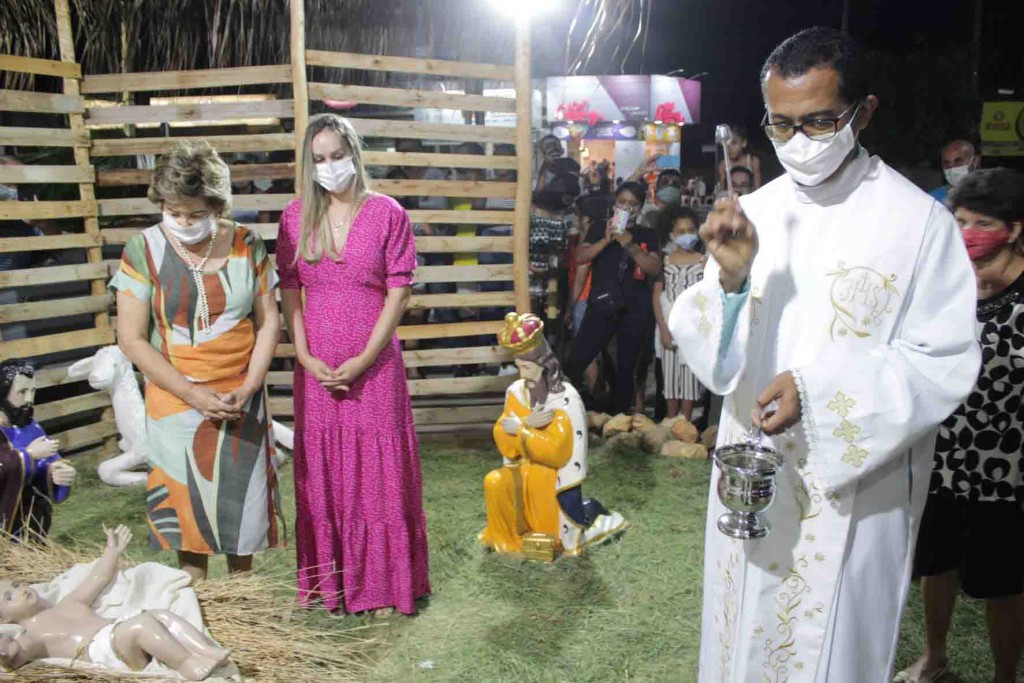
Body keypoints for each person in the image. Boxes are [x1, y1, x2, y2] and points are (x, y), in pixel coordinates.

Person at [668, 27, 980, 682]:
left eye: (818, 122)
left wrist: (816, 390)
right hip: (752, 483)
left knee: (830, 652)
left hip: (853, 492)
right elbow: (708, 351)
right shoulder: (752, 211)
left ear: (862, 112)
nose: (798, 144)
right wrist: (728, 284)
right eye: (780, 125)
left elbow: (942, 357)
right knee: (743, 641)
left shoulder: (918, 223)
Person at [277, 113, 430, 616]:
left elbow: (399, 292)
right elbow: (291, 291)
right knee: (323, 470)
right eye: (319, 159)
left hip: (376, 368)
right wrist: (302, 354)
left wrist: (366, 357)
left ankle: (386, 585)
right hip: (315, 369)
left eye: (337, 156)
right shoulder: (294, 217)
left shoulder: (388, 213)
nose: (330, 166)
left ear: (355, 154)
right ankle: (332, 584)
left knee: (378, 472)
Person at [111, 139, 282, 583]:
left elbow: (268, 323)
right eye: (173, 211)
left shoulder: (248, 244)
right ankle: (194, 610)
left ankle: (246, 613)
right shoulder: (141, 249)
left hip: (240, 396)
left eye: (195, 213)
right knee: (186, 519)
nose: (183, 222)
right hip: (175, 399)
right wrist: (190, 393)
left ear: (217, 204)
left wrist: (248, 386)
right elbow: (130, 338)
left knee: (243, 514)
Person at [897, 168, 1024, 683]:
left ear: (1014, 228)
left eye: (983, 222)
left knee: (1003, 583)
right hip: (942, 455)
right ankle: (935, 657)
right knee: (935, 566)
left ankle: (1005, 676)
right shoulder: (945, 286)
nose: (968, 231)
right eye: (961, 219)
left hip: (1008, 470)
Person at [0, 525, 231, 680]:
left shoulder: (68, 603)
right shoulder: (30, 630)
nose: (19, 592)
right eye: (9, 597)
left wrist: (112, 552)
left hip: (117, 631)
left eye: (17, 585)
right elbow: (25, 651)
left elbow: (97, 578)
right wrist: (8, 651)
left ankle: (205, 650)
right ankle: (188, 665)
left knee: (160, 615)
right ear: (5, 619)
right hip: (101, 651)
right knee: (141, 625)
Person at [480, 312, 627, 555]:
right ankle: (505, 539)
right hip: (522, 471)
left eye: (527, 367)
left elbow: (558, 452)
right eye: (518, 367)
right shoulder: (516, 393)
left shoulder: (564, 399)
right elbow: (503, 437)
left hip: (552, 478)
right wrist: (527, 423)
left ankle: (580, 519)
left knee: (552, 506)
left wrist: (522, 431)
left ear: (544, 364)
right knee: (494, 481)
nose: (522, 374)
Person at [566, 182, 661, 415]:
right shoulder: (599, 228)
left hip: (635, 308)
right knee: (578, 357)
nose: (627, 208)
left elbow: (654, 268)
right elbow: (580, 257)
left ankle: (617, 417)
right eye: (622, 202)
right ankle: (567, 406)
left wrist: (630, 244)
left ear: (640, 207)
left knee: (626, 365)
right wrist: (606, 240)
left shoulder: (647, 234)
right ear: (615, 203)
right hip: (601, 303)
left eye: (633, 204)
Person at [0, 360, 76, 538]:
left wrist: (57, 472)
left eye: (33, 391)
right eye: (22, 392)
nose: (29, 399)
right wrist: (28, 455)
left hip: (31, 517)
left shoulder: (30, 427)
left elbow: (48, 460)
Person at [652, 206, 705, 421]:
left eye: (691, 230)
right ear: (672, 235)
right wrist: (663, 329)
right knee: (671, 377)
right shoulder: (664, 262)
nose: (686, 236)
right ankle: (671, 422)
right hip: (669, 326)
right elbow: (657, 296)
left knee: (691, 378)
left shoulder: (705, 262)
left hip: (693, 327)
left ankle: (686, 422)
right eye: (681, 231)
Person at [928, 139, 979, 205]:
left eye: (958, 162)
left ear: (975, 161)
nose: (952, 168)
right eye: (947, 164)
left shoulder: (990, 195)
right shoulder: (933, 199)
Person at [717, 124, 762, 191]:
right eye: (727, 144)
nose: (730, 148)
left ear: (744, 143)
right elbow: (722, 189)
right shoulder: (723, 165)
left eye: (734, 143)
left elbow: (758, 188)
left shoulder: (753, 161)